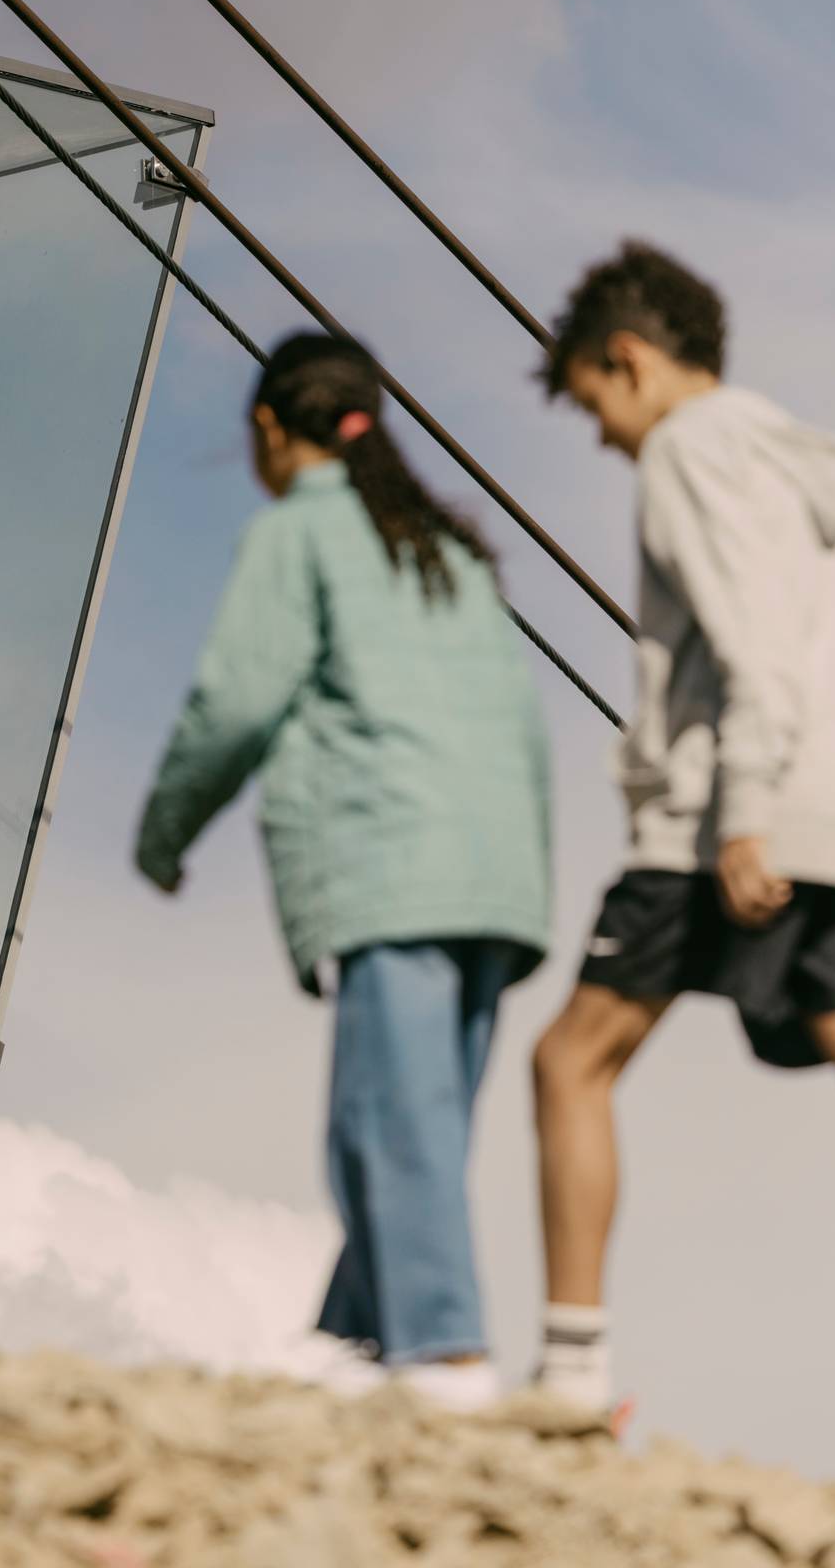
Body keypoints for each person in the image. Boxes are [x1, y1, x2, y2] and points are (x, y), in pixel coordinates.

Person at [135, 331, 551, 1411]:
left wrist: (165, 832)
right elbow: (526, 730)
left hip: (392, 860)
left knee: (386, 1120)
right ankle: (354, 1342)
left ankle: (448, 1358)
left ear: (273, 428)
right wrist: (527, 880)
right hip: (495, 878)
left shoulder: (300, 534)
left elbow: (236, 700)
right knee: (421, 1118)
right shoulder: (446, 551)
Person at [530, 242, 835, 1415]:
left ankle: (573, 1375)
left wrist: (741, 815)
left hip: (731, 817)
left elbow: (752, 648)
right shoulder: (790, 456)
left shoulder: (690, 450)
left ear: (625, 361)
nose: (605, 437)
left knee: (569, 1059)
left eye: (594, 407)